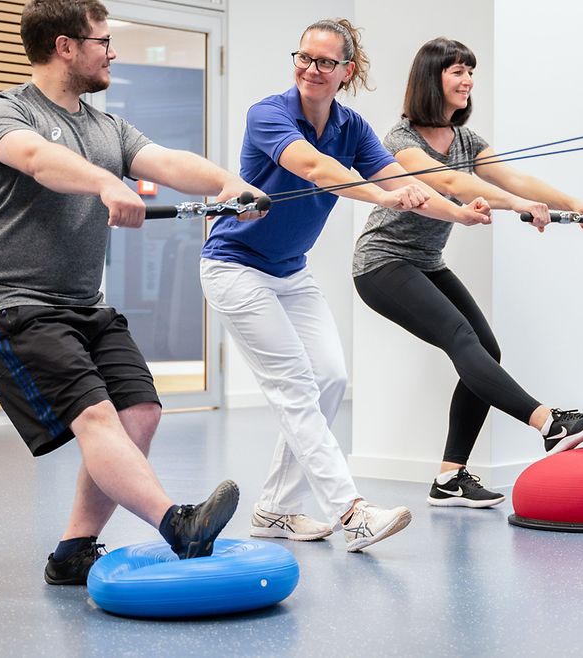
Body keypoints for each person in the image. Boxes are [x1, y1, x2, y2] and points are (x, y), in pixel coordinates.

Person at [0, 0, 260, 585]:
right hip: (7, 299)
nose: (112, 51)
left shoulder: (107, 125)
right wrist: (104, 182)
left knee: (139, 412)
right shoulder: (4, 112)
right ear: (65, 46)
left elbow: (165, 160)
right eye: (102, 40)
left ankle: (73, 552)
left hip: (80, 302)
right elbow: (39, 160)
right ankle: (179, 525)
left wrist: (229, 183)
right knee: (94, 415)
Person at [200, 19, 491, 552]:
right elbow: (316, 169)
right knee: (294, 386)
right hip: (235, 266)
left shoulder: (352, 125)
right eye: (304, 57)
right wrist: (383, 198)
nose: (311, 69)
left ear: (346, 71)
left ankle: (275, 511)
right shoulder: (268, 114)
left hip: (290, 270)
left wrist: (459, 213)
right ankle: (351, 511)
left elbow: (400, 179)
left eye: (325, 62)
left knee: (330, 378)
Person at [352, 38, 583, 510]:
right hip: (382, 263)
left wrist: (576, 205)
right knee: (459, 336)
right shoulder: (400, 141)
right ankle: (549, 423)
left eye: (471, 71)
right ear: (431, 79)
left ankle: (450, 477)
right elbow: (450, 182)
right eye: (457, 71)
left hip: (426, 263)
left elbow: (511, 178)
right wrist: (516, 206)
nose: (468, 80)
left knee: (484, 347)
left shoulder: (467, 140)